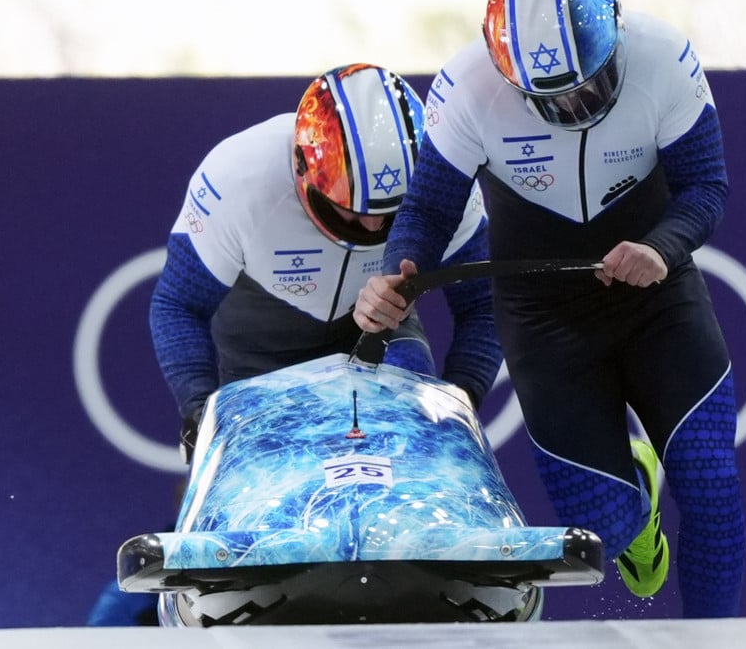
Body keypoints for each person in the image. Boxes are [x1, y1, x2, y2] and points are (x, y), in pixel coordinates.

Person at [353, 0, 746, 618]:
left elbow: (706, 186)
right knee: (606, 527)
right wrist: (396, 273)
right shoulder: (465, 88)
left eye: (591, 83)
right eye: (551, 98)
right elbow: (427, 210)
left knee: (711, 484)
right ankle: (636, 500)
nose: (576, 104)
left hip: (656, 298)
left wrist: (661, 248)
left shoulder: (664, 56)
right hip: (544, 319)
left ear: (616, 35)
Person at [149, 63, 502, 465]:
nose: (372, 226)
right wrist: (200, 414)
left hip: (380, 332)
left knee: (413, 450)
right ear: (304, 172)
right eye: (353, 210)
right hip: (261, 349)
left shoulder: (446, 177)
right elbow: (179, 304)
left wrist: (458, 404)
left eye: (393, 211)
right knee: (269, 475)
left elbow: (483, 305)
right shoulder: (239, 177)